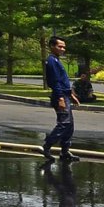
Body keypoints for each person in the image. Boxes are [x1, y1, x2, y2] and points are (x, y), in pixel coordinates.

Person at [42, 36, 79, 164]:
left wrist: (71, 95)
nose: (63, 49)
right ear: (52, 46)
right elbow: (55, 82)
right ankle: (47, 146)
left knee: (69, 125)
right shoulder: (51, 61)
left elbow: (63, 81)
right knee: (64, 123)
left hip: (65, 95)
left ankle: (64, 150)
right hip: (60, 96)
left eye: (64, 46)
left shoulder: (56, 60)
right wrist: (61, 98)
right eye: (60, 46)